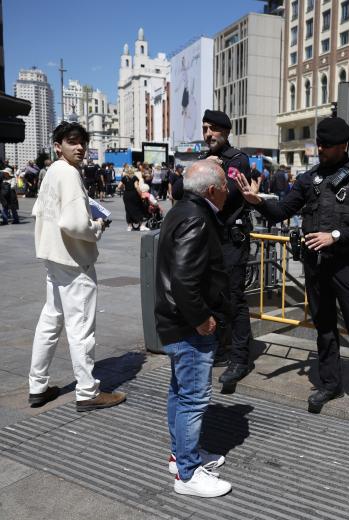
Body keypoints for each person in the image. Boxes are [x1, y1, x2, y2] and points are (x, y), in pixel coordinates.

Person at [243, 117, 349, 426]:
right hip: (317, 268)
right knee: (324, 330)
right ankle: (330, 385)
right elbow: (282, 210)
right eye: (318, 144)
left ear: (344, 146)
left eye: (327, 146)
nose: (320, 149)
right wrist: (258, 202)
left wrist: (334, 236)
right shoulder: (309, 180)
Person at [28, 121, 126, 411]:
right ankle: (87, 391)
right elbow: (73, 223)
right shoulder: (69, 173)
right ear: (58, 146)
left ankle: (38, 385)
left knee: (50, 322)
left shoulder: (51, 172)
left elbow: (39, 211)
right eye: (72, 142)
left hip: (52, 257)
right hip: (73, 260)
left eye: (82, 141)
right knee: (80, 326)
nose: (80, 147)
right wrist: (95, 227)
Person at [154, 160, 232, 498]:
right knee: (194, 397)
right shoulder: (197, 219)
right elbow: (185, 280)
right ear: (213, 189)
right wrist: (202, 319)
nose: (229, 191)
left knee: (180, 391)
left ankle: (180, 456)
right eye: (227, 186)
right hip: (188, 326)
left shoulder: (182, 208)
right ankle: (187, 473)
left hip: (175, 322)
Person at [200, 110, 253, 384]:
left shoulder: (237, 160)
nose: (208, 134)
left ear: (226, 132)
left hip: (232, 240)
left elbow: (225, 194)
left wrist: (207, 173)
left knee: (234, 299)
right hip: (209, 241)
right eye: (205, 129)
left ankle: (240, 358)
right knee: (213, 298)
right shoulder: (204, 160)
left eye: (213, 129)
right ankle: (221, 348)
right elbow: (180, 188)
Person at [121, 166, 148, 231]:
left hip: (126, 195)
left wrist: (124, 189)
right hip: (134, 194)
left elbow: (119, 186)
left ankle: (129, 226)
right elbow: (136, 186)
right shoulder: (134, 177)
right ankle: (141, 225)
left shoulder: (124, 178)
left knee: (128, 210)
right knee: (137, 209)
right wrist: (141, 194)